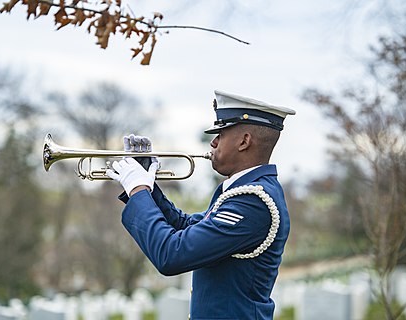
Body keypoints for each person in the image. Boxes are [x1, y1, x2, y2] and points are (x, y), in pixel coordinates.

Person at [106, 90, 296, 320]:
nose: (213, 142)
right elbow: (186, 229)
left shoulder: (253, 200)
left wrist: (138, 189)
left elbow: (171, 255)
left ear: (244, 141)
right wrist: (148, 185)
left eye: (220, 134)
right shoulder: (244, 191)